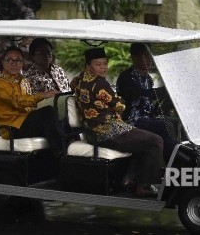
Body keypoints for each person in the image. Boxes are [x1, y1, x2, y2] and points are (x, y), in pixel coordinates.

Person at [70, 47, 163, 198]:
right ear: (88, 66)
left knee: (143, 139)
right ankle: (144, 186)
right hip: (108, 131)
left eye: (104, 64)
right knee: (156, 141)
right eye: (98, 65)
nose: (103, 68)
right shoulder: (100, 83)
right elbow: (120, 105)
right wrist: (118, 101)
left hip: (93, 131)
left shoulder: (80, 80)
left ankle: (129, 178)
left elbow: (72, 85)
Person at [0, 46, 61, 154]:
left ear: (22, 63)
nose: (13, 63)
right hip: (11, 127)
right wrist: (43, 95)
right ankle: (60, 154)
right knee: (48, 112)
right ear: (2, 62)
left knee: (61, 119)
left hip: (24, 121)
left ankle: (58, 156)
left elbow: (29, 104)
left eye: (17, 60)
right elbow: (17, 102)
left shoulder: (22, 80)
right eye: (9, 60)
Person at [116, 43, 179, 162]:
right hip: (132, 120)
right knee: (166, 125)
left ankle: (176, 159)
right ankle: (172, 163)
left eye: (150, 56)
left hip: (148, 118)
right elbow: (141, 93)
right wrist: (165, 90)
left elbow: (149, 102)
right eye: (145, 56)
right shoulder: (126, 77)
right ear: (134, 57)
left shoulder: (148, 78)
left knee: (175, 123)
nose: (149, 60)